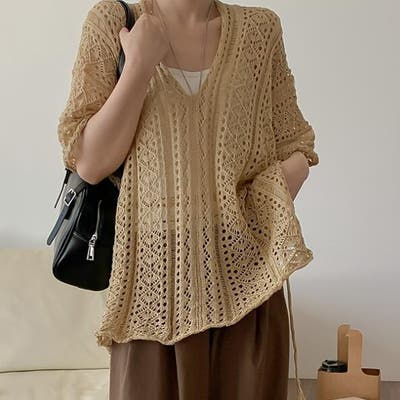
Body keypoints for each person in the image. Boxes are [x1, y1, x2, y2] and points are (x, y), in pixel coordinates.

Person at [56, 0, 320, 398]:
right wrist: (139, 66)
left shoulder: (260, 30)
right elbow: (89, 163)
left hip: (249, 287)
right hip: (150, 296)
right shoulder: (113, 21)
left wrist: (251, 212)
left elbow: (295, 145)